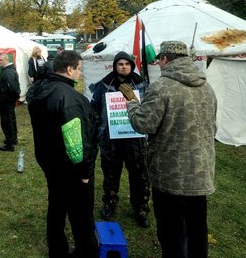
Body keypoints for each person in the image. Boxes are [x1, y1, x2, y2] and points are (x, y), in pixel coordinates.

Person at [120, 41, 217, 258]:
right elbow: (213, 127)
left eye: (159, 60)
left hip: (170, 175)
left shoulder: (162, 87)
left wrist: (132, 103)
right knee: (197, 230)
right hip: (200, 173)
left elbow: (143, 124)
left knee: (172, 232)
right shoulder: (207, 87)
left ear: (165, 59)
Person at [27, 50, 99, 258]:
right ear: (69, 69)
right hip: (71, 170)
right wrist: (85, 172)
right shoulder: (70, 99)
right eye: (79, 69)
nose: (80, 73)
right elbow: (76, 144)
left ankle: (57, 250)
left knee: (56, 208)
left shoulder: (39, 91)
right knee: (82, 217)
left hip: (51, 164)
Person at [90, 51, 151, 227]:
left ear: (132, 66)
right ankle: (109, 202)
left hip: (135, 138)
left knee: (139, 175)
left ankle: (140, 207)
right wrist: (100, 128)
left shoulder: (141, 85)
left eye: (127, 64)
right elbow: (94, 109)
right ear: (115, 66)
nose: (124, 67)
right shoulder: (104, 85)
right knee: (110, 174)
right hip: (111, 139)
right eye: (120, 64)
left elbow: (150, 108)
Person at [0, 53, 21, 152]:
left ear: (6, 59)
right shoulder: (8, 70)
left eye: (0, 60)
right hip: (8, 100)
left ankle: (10, 144)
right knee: (11, 119)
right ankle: (13, 139)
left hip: (6, 101)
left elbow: (13, 88)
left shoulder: (8, 72)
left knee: (7, 121)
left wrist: (10, 98)